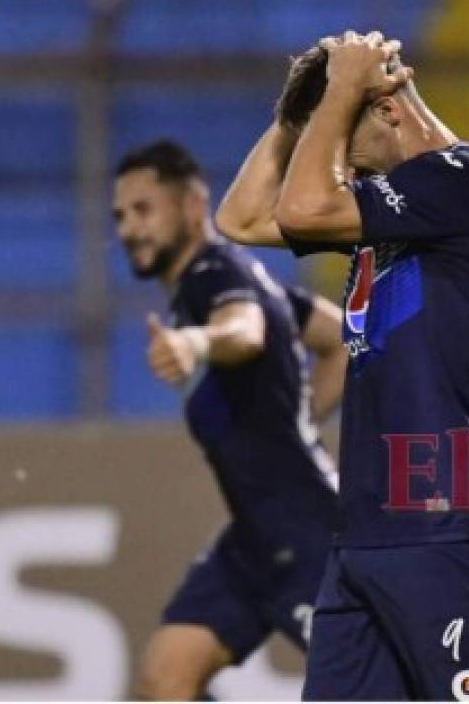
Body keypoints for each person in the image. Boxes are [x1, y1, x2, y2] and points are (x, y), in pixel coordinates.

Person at [217, 31, 469, 701]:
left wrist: (340, 90)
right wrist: (299, 108)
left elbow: (301, 206)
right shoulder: (393, 207)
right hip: (363, 539)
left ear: (387, 110)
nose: (344, 170)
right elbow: (243, 219)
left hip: (444, 530)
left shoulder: (464, 186)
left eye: (345, 146)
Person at [112, 139, 346, 700]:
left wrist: (198, 341)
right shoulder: (249, 281)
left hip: (309, 534)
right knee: (164, 680)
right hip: (255, 539)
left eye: (144, 210)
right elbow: (343, 339)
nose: (128, 229)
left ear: (194, 206)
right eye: (119, 216)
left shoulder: (211, 276)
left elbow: (244, 330)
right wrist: (297, 417)